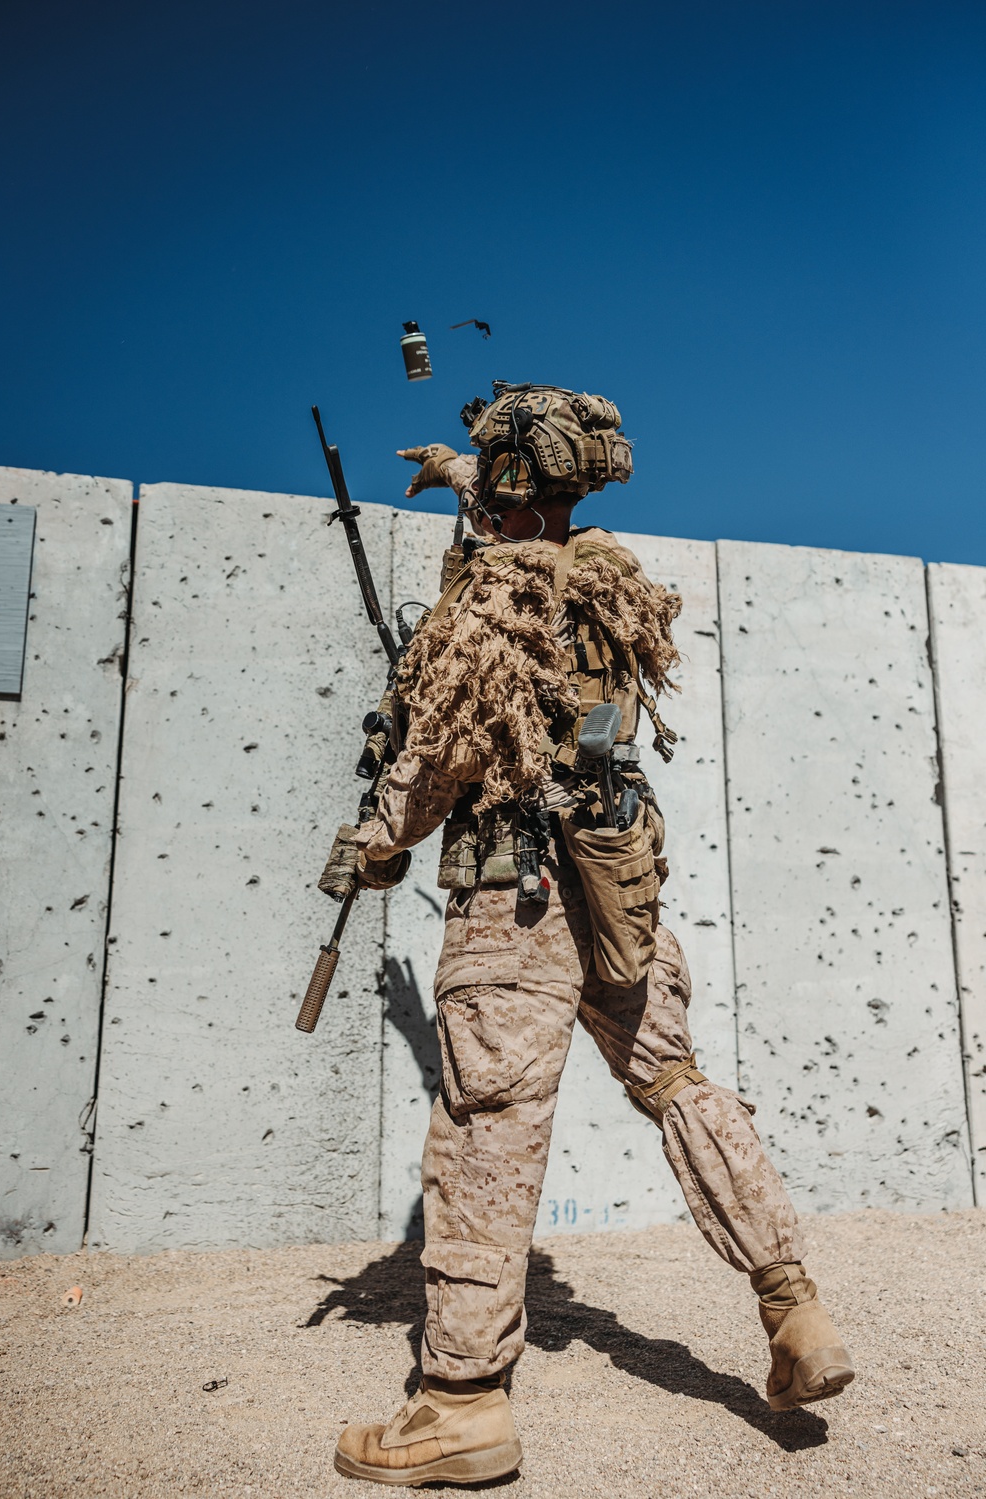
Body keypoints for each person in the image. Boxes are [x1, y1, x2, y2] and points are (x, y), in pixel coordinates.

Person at [333, 383, 854, 1488]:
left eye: (492, 468)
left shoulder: (492, 599)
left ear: (517, 479)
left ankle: (459, 1406)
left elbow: (442, 749)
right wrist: (476, 486)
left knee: (486, 1127)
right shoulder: (601, 577)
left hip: (513, 899)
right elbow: (530, 535)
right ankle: (794, 1307)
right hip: (619, 890)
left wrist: (373, 841)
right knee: (674, 1080)